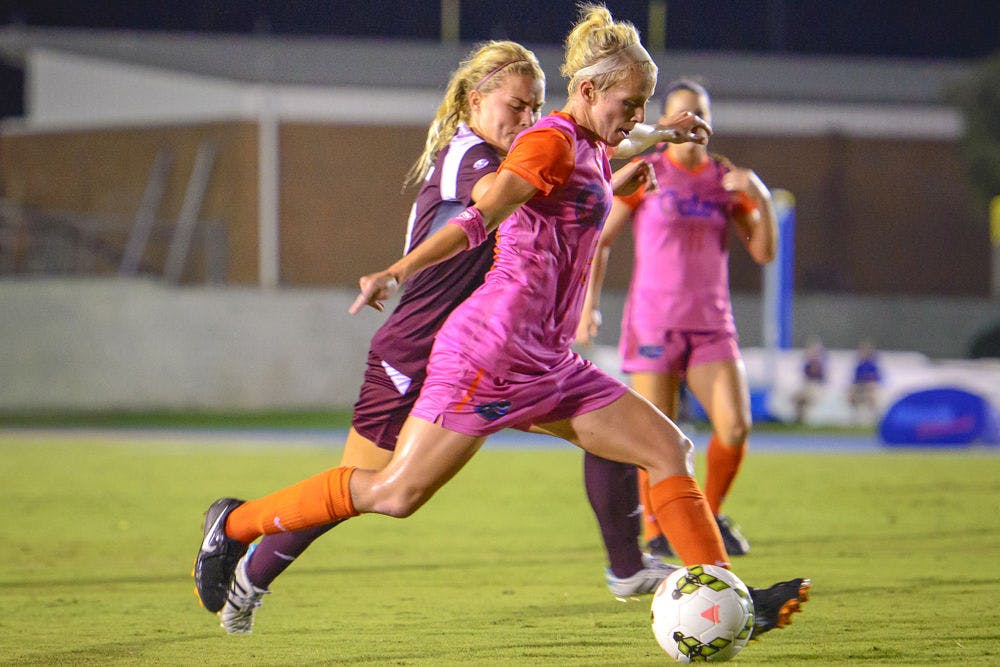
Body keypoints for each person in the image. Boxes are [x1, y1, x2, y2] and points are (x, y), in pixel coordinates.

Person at [195, 3, 808, 640]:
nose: (637, 115)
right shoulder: (545, 143)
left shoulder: (592, 141)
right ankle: (235, 526)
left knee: (666, 448)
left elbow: (614, 143)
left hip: (549, 360)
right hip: (487, 356)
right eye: (633, 102)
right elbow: (477, 217)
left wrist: (663, 133)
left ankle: (728, 597)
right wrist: (397, 270)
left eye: (645, 103)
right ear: (590, 89)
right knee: (393, 494)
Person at [576, 78, 778, 559]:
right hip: (654, 323)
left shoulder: (724, 179)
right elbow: (600, 239)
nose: (695, 122)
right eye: (683, 113)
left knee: (734, 427)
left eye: (701, 112)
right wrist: (588, 307)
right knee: (655, 436)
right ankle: (656, 534)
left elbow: (764, 252)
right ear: (668, 121)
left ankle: (704, 514)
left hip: (711, 324)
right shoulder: (647, 171)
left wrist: (762, 198)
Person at [848, 339, 882, 425]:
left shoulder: (873, 366)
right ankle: (856, 417)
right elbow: (855, 380)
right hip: (860, 388)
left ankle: (874, 417)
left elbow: (877, 379)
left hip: (870, 389)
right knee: (852, 395)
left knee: (872, 395)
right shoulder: (859, 366)